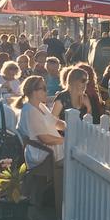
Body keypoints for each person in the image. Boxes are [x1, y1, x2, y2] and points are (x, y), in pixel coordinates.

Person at [17, 75, 65, 211]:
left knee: (79, 152)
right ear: (33, 92)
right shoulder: (30, 111)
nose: (46, 91)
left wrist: (73, 126)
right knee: (78, 158)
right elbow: (45, 139)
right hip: (42, 153)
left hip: (50, 149)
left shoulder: (41, 107)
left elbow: (56, 123)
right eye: (43, 89)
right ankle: (64, 201)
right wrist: (66, 140)